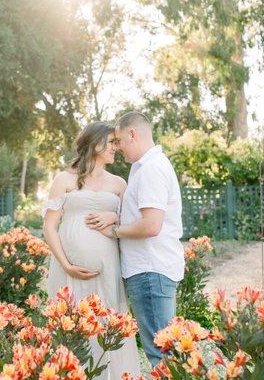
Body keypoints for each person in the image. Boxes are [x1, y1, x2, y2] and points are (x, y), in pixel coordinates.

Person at [41, 122, 141, 378]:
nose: (116, 148)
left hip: (108, 269)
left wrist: (113, 216)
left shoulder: (119, 184)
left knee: (107, 324)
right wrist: (65, 264)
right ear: (95, 143)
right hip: (68, 272)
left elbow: (133, 222)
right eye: (111, 143)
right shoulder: (64, 179)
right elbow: (49, 227)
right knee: (72, 325)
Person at [87, 112, 184, 367]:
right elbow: (139, 215)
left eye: (118, 140)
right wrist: (115, 215)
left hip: (150, 271)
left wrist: (115, 230)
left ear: (133, 134)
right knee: (162, 350)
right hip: (150, 270)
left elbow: (151, 225)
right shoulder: (146, 167)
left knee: (160, 354)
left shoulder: (151, 169)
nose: (117, 148)